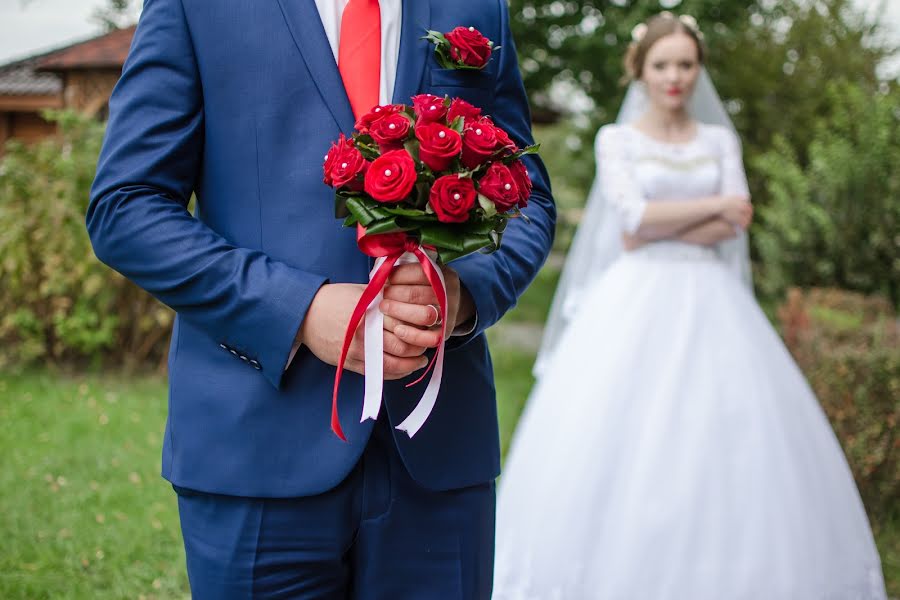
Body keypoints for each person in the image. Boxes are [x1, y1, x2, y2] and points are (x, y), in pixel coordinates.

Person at [85, 0, 555, 597]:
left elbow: (526, 191)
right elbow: (126, 205)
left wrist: (467, 292)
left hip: (439, 456)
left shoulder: (475, 7)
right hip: (258, 445)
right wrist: (299, 310)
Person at [492, 12, 886, 599]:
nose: (674, 76)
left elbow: (736, 222)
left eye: (685, 64)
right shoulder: (617, 140)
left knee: (729, 433)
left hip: (714, 302)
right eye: (662, 64)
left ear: (698, 70)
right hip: (634, 301)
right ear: (641, 70)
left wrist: (685, 218)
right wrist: (714, 206)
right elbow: (632, 222)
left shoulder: (719, 140)